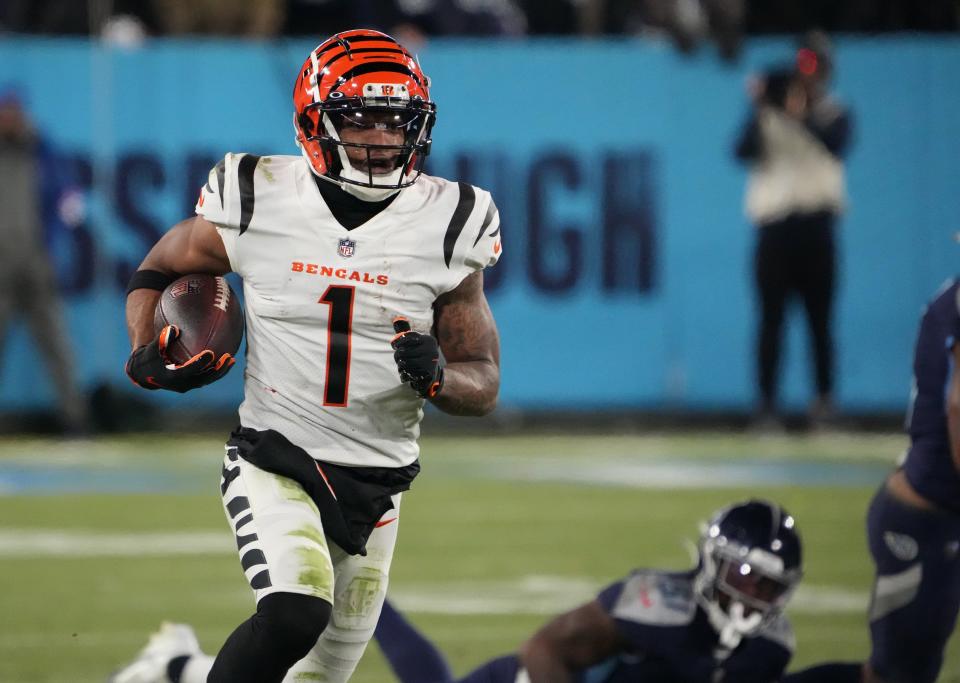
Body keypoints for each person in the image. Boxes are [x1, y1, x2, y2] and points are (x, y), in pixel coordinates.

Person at [110, 29, 502, 683]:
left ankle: (175, 667)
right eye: (360, 120)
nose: (381, 139)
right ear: (314, 122)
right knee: (295, 612)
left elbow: (484, 379)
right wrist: (146, 346)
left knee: (311, 675)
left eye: (395, 122)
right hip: (276, 454)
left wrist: (441, 376)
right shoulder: (257, 194)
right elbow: (161, 264)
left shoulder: (453, 220)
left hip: (380, 484)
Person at [374, 499, 803, 683]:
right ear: (715, 562)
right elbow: (543, 650)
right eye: (745, 573)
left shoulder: (771, 646)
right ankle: (368, 595)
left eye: (770, 585)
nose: (754, 593)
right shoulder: (658, 605)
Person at [782, 276, 960, 683]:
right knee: (894, 676)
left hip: (931, 512)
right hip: (925, 520)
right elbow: (958, 407)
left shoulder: (950, 295)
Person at [733, 31, 853, 430]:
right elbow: (740, 151)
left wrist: (800, 114)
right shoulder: (769, 114)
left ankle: (824, 404)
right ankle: (766, 407)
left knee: (820, 323)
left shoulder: (835, 112)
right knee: (771, 321)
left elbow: (835, 143)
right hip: (775, 228)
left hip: (817, 226)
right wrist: (761, 106)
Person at [0, 86, 87, 434]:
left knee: (55, 342)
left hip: (36, 259)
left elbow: (67, 195)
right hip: (1, 261)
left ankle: (75, 419)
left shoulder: (42, 149)